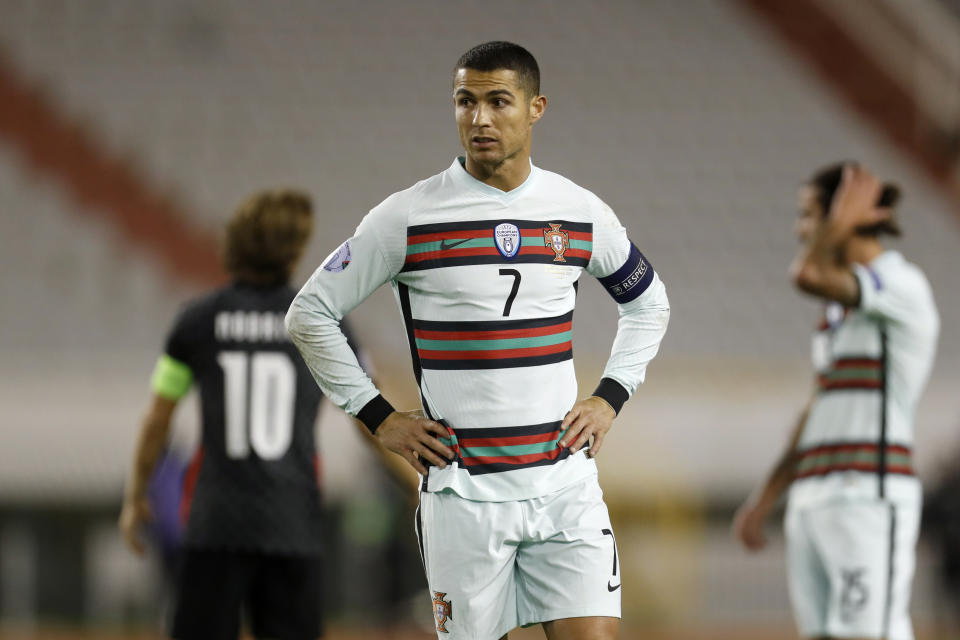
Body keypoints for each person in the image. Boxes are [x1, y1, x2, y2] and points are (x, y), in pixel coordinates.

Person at [285, 41, 670, 640]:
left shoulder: (578, 211)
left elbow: (648, 303)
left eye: (498, 101)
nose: (479, 118)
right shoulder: (406, 218)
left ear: (536, 107)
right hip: (465, 497)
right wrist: (380, 418)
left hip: (563, 487)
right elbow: (308, 313)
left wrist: (610, 396)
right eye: (466, 101)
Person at [120, 189, 360, 640]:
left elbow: (157, 418)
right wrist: (412, 482)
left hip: (215, 525)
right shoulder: (324, 322)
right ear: (293, 251)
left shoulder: (196, 321)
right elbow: (370, 417)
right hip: (292, 525)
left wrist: (135, 495)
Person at [733, 164, 939, 640]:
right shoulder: (836, 312)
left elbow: (808, 272)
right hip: (814, 498)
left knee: (873, 633)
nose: (800, 229)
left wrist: (838, 225)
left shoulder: (901, 285)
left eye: (810, 216)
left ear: (844, 219)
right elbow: (817, 409)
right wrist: (767, 496)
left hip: (868, 495)